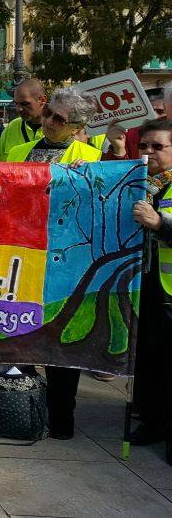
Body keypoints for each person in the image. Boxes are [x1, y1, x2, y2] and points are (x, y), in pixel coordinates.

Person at [1, 88, 101, 439]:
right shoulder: (16, 151)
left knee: (63, 337)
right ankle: (17, 408)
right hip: (22, 253)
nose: (49, 123)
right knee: (20, 333)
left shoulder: (92, 155)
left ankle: (62, 414)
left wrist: (88, 178)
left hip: (68, 259)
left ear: (76, 127)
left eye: (59, 120)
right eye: (49, 115)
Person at [130, 119, 172, 447]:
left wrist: (160, 223)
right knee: (147, 356)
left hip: (170, 290)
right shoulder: (139, 184)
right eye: (145, 145)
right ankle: (151, 420)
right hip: (142, 284)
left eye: (158, 146)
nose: (149, 152)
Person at [0, 78, 47, 161]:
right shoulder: (11, 127)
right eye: (16, 103)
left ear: (42, 100)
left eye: (25, 104)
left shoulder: (57, 129)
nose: (19, 109)